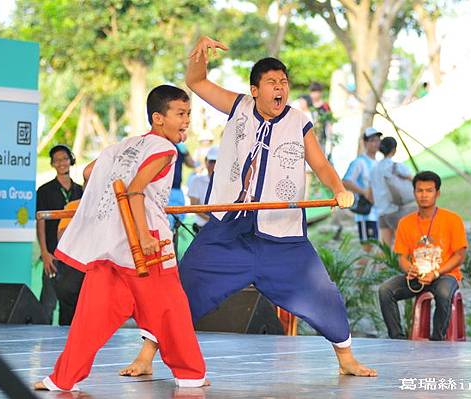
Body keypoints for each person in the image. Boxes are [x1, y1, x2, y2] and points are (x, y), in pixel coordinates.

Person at [120, 36, 377, 378]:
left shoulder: (299, 121)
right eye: (271, 82)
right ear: (255, 90)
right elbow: (196, 82)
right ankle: (146, 354)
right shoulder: (238, 105)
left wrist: (338, 188)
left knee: (322, 292)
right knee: (184, 287)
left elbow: (322, 165)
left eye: (283, 82)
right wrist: (198, 54)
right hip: (229, 228)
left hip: (281, 234)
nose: (279, 88)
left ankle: (346, 359)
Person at [34, 85, 207, 391]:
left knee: (91, 315)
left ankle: (61, 379)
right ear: (158, 118)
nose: (186, 121)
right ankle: (191, 374)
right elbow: (136, 190)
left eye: (188, 114)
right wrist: (142, 235)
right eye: (180, 114)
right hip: (147, 243)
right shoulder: (165, 150)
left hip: (111, 245)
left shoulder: (125, 146)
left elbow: (88, 172)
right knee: (172, 310)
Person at [378, 171, 468, 341]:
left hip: (445, 275)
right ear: (414, 193)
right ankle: (398, 340)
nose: (424, 195)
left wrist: (435, 273)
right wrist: (409, 270)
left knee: (443, 292)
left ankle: (437, 341)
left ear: (437, 193)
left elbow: (459, 255)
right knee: (385, 290)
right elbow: (402, 257)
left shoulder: (452, 219)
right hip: (417, 277)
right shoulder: (406, 222)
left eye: (429, 190)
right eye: (420, 191)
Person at [36, 144, 84, 324]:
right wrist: (44, 252)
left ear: (70, 160)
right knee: (48, 303)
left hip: (75, 255)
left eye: (64, 159)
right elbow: (41, 221)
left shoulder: (81, 190)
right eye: (57, 160)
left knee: (70, 303)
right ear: (52, 164)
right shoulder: (45, 190)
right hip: (53, 254)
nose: (61, 163)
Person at [369, 137, 415, 246]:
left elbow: (371, 190)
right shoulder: (397, 166)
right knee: (404, 246)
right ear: (394, 149)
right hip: (395, 211)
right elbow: (414, 180)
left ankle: (384, 264)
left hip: (381, 212)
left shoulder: (374, 169)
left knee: (385, 250)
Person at [343, 127, 382, 246]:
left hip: (379, 213)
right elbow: (346, 181)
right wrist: (364, 192)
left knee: (379, 249)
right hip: (366, 214)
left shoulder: (379, 163)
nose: (376, 143)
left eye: (378, 140)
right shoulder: (359, 162)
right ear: (365, 143)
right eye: (372, 140)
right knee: (368, 249)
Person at [187, 146, 218, 233]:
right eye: (211, 162)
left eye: (216, 162)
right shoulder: (197, 180)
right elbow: (193, 205)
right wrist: (211, 220)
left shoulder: (226, 182)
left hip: (220, 228)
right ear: (206, 162)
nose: (214, 165)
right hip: (202, 228)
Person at [308, 82, 333, 156]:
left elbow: (330, 122)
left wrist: (331, 136)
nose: (314, 94)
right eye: (312, 92)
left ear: (320, 93)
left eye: (316, 92)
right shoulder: (308, 105)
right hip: (309, 136)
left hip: (322, 136)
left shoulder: (325, 106)